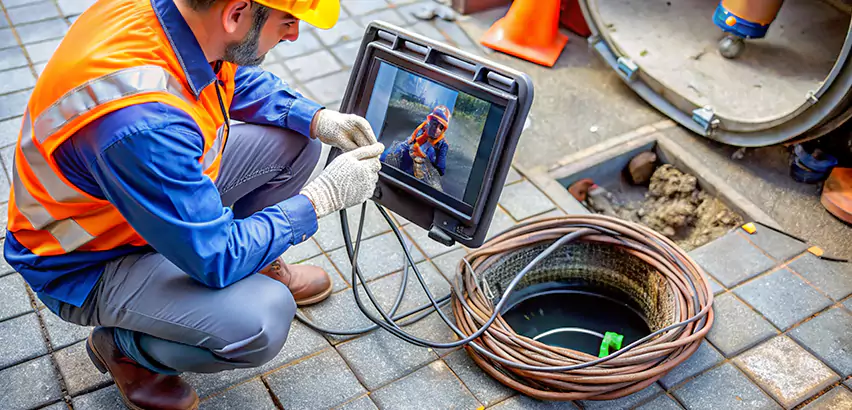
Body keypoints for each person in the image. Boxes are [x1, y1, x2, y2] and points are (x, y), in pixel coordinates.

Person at [3, 0, 383, 408]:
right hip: (87, 260)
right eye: (288, 21)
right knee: (262, 320)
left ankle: (255, 262)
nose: (293, 35)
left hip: (137, 202)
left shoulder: (179, 19)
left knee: (297, 139)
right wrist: (319, 199)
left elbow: (229, 78)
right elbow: (215, 256)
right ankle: (125, 349)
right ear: (236, 13)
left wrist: (314, 117)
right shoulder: (141, 121)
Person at [380, 105, 451, 187]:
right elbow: (404, 145)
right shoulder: (421, 130)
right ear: (430, 122)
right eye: (435, 124)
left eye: (441, 127)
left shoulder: (442, 145)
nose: (436, 129)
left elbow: (440, 171)